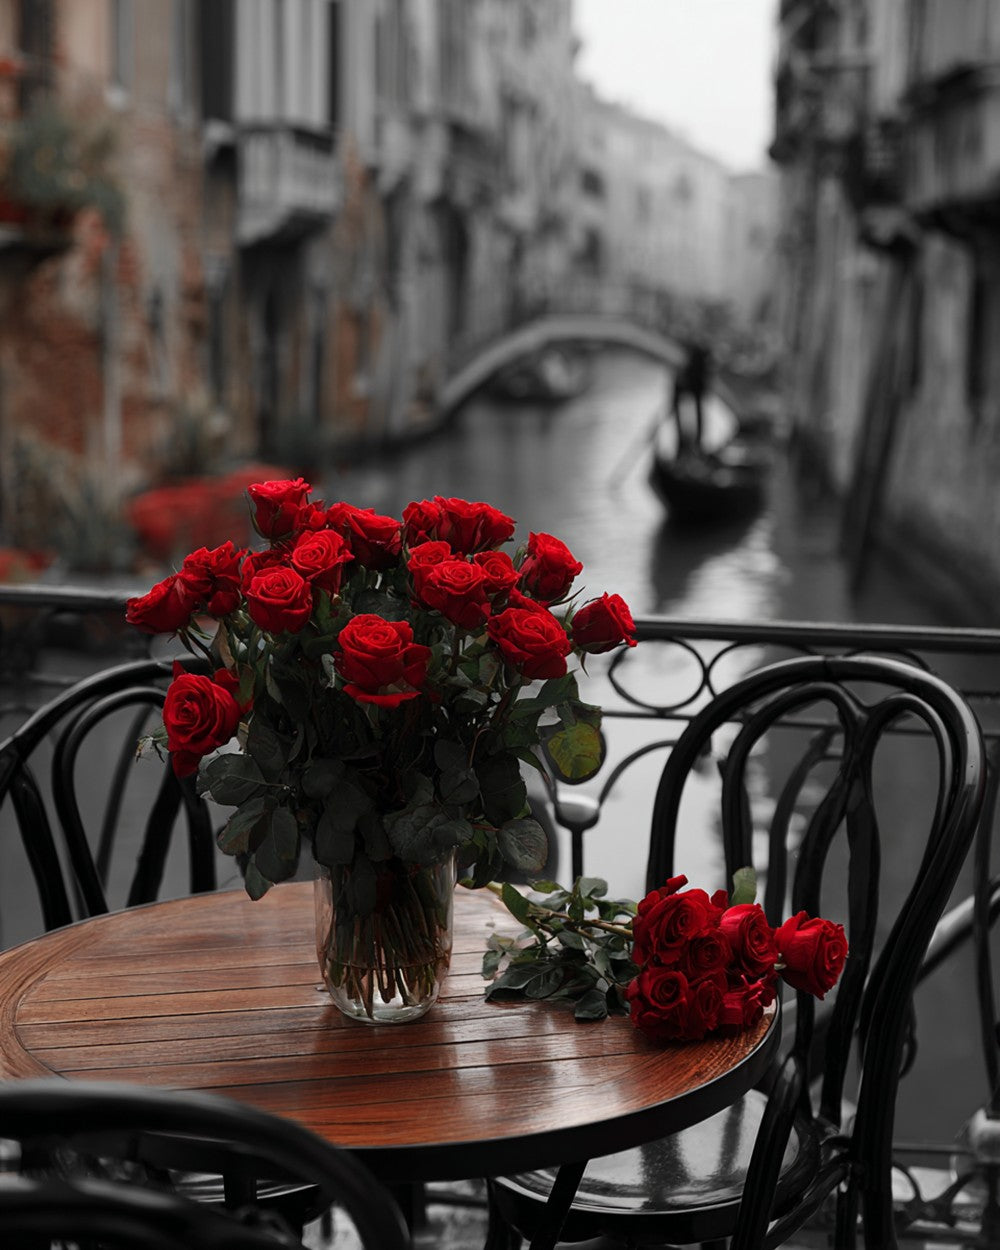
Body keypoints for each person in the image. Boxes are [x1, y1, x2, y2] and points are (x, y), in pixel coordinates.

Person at [670, 341, 712, 456]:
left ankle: (692, 448)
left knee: (696, 413)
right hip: (693, 384)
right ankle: (689, 448)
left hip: (694, 384)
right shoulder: (693, 369)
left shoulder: (695, 369)